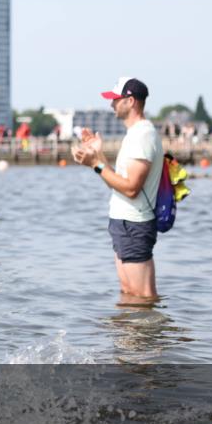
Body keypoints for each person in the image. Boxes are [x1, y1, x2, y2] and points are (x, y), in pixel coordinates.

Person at [72, 77, 164, 299]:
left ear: (130, 101)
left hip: (135, 224)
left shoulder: (143, 135)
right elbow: (119, 181)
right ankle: (125, 334)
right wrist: (98, 154)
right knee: (128, 293)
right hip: (124, 223)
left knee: (143, 296)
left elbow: (132, 188)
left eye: (116, 100)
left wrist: (95, 164)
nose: (111, 104)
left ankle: (148, 334)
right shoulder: (135, 134)